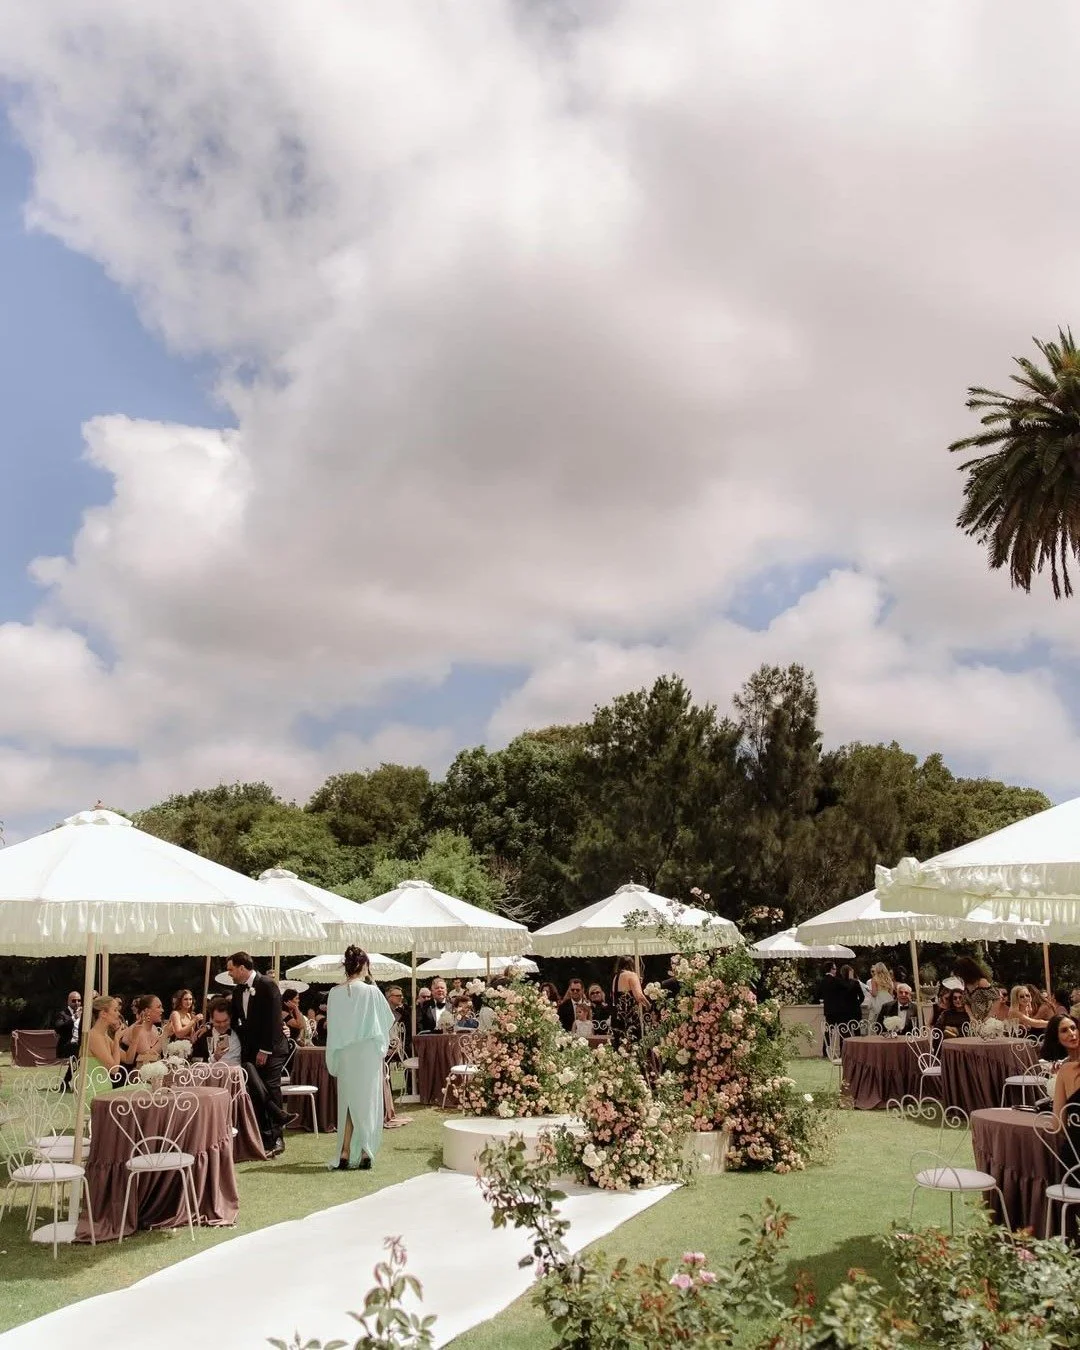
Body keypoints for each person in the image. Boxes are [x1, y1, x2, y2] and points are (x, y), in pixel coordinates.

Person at [326, 946, 394, 1171]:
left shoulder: (334, 993)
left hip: (345, 1053)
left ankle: (345, 1151)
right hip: (367, 1052)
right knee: (367, 1101)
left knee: (347, 1102)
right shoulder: (371, 991)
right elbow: (387, 1018)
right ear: (364, 965)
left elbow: (333, 1029)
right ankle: (365, 1151)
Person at [227, 952, 291, 1157]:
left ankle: (277, 1138)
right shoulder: (237, 991)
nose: (229, 974)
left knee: (271, 1087)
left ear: (242, 968)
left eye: (231, 970)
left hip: (271, 1048)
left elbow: (274, 1020)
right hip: (250, 1050)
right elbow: (236, 1021)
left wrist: (265, 1050)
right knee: (256, 1090)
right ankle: (272, 1126)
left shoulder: (268, 984)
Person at [85, 995, 133, 1095]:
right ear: (103, 1014)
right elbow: (114, 1070)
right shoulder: (93, 1036)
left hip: (103, 1087)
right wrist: (116, 1039)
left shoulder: (104, 1036)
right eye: (115, 1010)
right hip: (92, 1090)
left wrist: (136, 1036)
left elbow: (128, 1059)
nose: (119, 1014)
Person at [611, 956, 649, 1049]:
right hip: (630, 1017)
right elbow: (639, 996)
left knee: (620, 1047)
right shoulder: (632, 975)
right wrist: (648, 1005)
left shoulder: (615, 977)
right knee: (634, 1046)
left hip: (617, 1017)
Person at [953, 956, 1005, 1026]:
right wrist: (971, 1017)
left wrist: (989, 1016)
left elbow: (997, 999)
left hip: (988, 1022)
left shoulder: (981, 982)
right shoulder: (965, 985)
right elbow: (966, 1003)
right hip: (975, 1022)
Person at [193, 998, 243, 1066]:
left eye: (225, 1021)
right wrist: (215, 1058)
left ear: (230, 1017)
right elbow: (196, 1064)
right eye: (218, 1022)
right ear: (211, 1019)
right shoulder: (202, 1036)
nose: (222, 1025)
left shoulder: (241, 1034)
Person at [119, 995, 166, 1065]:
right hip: (130, 1073)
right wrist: (166, 1033)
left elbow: (157, 1057)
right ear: (147, 1011)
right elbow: (148, 1058)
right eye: (159, 1007)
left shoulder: (154, 1028)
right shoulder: (138, 1029)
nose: (162, 1010)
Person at [866, 963, 895, 1032]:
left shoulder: (874, 979)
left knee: (875, 1020)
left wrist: (869, 991)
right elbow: (891, 994)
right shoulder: (889, 980)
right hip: (888, 999)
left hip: (879, 999)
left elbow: (874, 994)